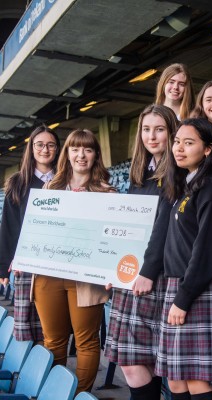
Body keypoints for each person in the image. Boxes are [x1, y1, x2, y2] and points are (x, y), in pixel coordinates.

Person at [155, 118, 212, 400]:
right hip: (180, 286)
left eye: (189, 143)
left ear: (207, 149)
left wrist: (183, 297)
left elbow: (208, 250)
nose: (179, 148)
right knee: (176, 379)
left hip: (202, 290)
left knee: (196, 380)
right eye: (177, 141)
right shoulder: (188, 184)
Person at [105, 104, 178, 400]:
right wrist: (111, 270)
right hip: (132, 275)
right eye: (146, 129)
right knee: (132, 361)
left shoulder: (176, 174)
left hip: (154, 276)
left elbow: (163, 228)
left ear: (171, 133)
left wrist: (148, 271)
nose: (152, 136)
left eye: (159, 129)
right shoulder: (140, 176)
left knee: (137, 361)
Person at [33, 129, 114, 394]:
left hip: (87, 278)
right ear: (66, 154)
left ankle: (80, 396)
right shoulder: (49, 188)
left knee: (86, 342)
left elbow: (112, 240)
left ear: (95, 155)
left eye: (88, 149)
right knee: (53, 341)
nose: (81, 155)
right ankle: (55, 393)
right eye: (75, 149)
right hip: (49, 275)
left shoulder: (107, 193)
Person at [0, 125, 60, 342]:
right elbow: (9, 226)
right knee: (29, 327)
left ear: (57, 149)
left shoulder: (65, 181)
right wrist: (3, 267)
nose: (45, 149)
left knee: (54, 330)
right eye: (40, 145)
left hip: (59, 264)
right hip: (28, 264)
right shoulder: (18, 182)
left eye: (51, 145)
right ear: (31, 149)